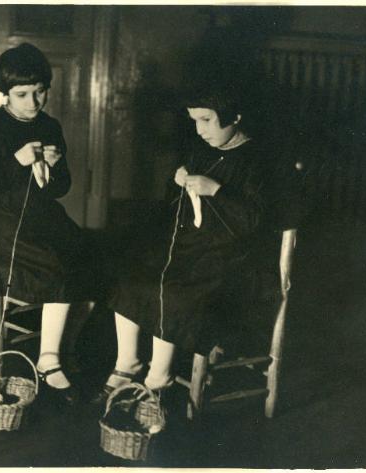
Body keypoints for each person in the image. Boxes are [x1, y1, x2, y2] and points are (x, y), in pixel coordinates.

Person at [93, 75, 271, 402]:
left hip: (233, 260)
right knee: (130, 275)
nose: (200, 130)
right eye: (195, 121)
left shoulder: (258, 160)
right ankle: (127, 363)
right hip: (194, 248)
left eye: (207, 120)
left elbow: (257, 221)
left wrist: (216, 190)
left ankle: (159, 376)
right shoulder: (201, 150)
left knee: (173, 288)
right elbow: (175, 209)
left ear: (235, 117)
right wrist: (178, 182)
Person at [0, 43, 97, 405]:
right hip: (1, 224)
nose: (33, 102)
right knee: (60, 265)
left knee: (94, 258)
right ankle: (49, 361)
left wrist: (52, 170)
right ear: (5, 92)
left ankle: (65, 346)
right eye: (22, 94)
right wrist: (15, 162)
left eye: (40, 92)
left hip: (43, 219)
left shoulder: (50, 126)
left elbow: (62, 186)